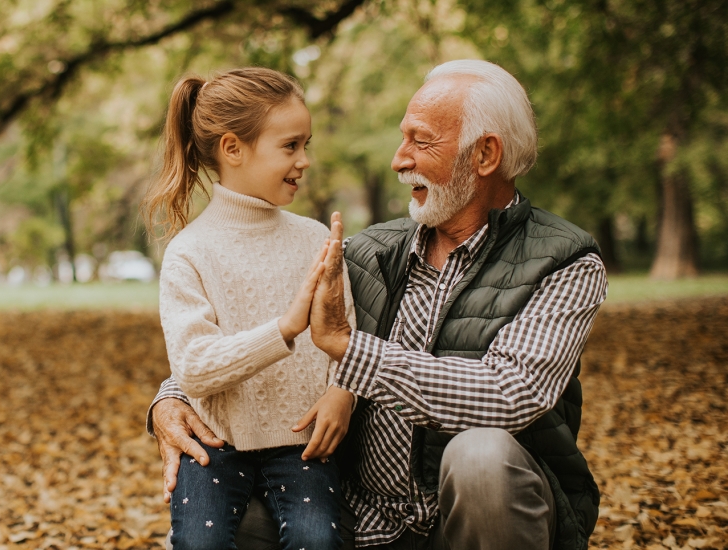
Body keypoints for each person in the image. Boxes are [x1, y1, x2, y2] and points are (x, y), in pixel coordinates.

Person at [149, 59, 607, 550]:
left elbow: (511, 393)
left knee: (482, 456)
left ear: (485, 154)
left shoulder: (565, 261)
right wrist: (171, 397)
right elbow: (265, 330)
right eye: (401, 138)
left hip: (469, 524)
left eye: (420, 140)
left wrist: (353, 353)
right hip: (360, 519)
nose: (398, 159)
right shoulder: (370, 252)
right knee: (218, 510)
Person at [143, 67, 358, 550]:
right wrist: (283, 329)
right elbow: (193, 369)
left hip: (302, 444)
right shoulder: (190, 252)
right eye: (289, 146)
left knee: (316, 540)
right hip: (214, 446)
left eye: (306, 144)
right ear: (232, 148)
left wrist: (343, 392)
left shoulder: (315, 238)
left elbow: (347, 337)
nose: (304, 160)